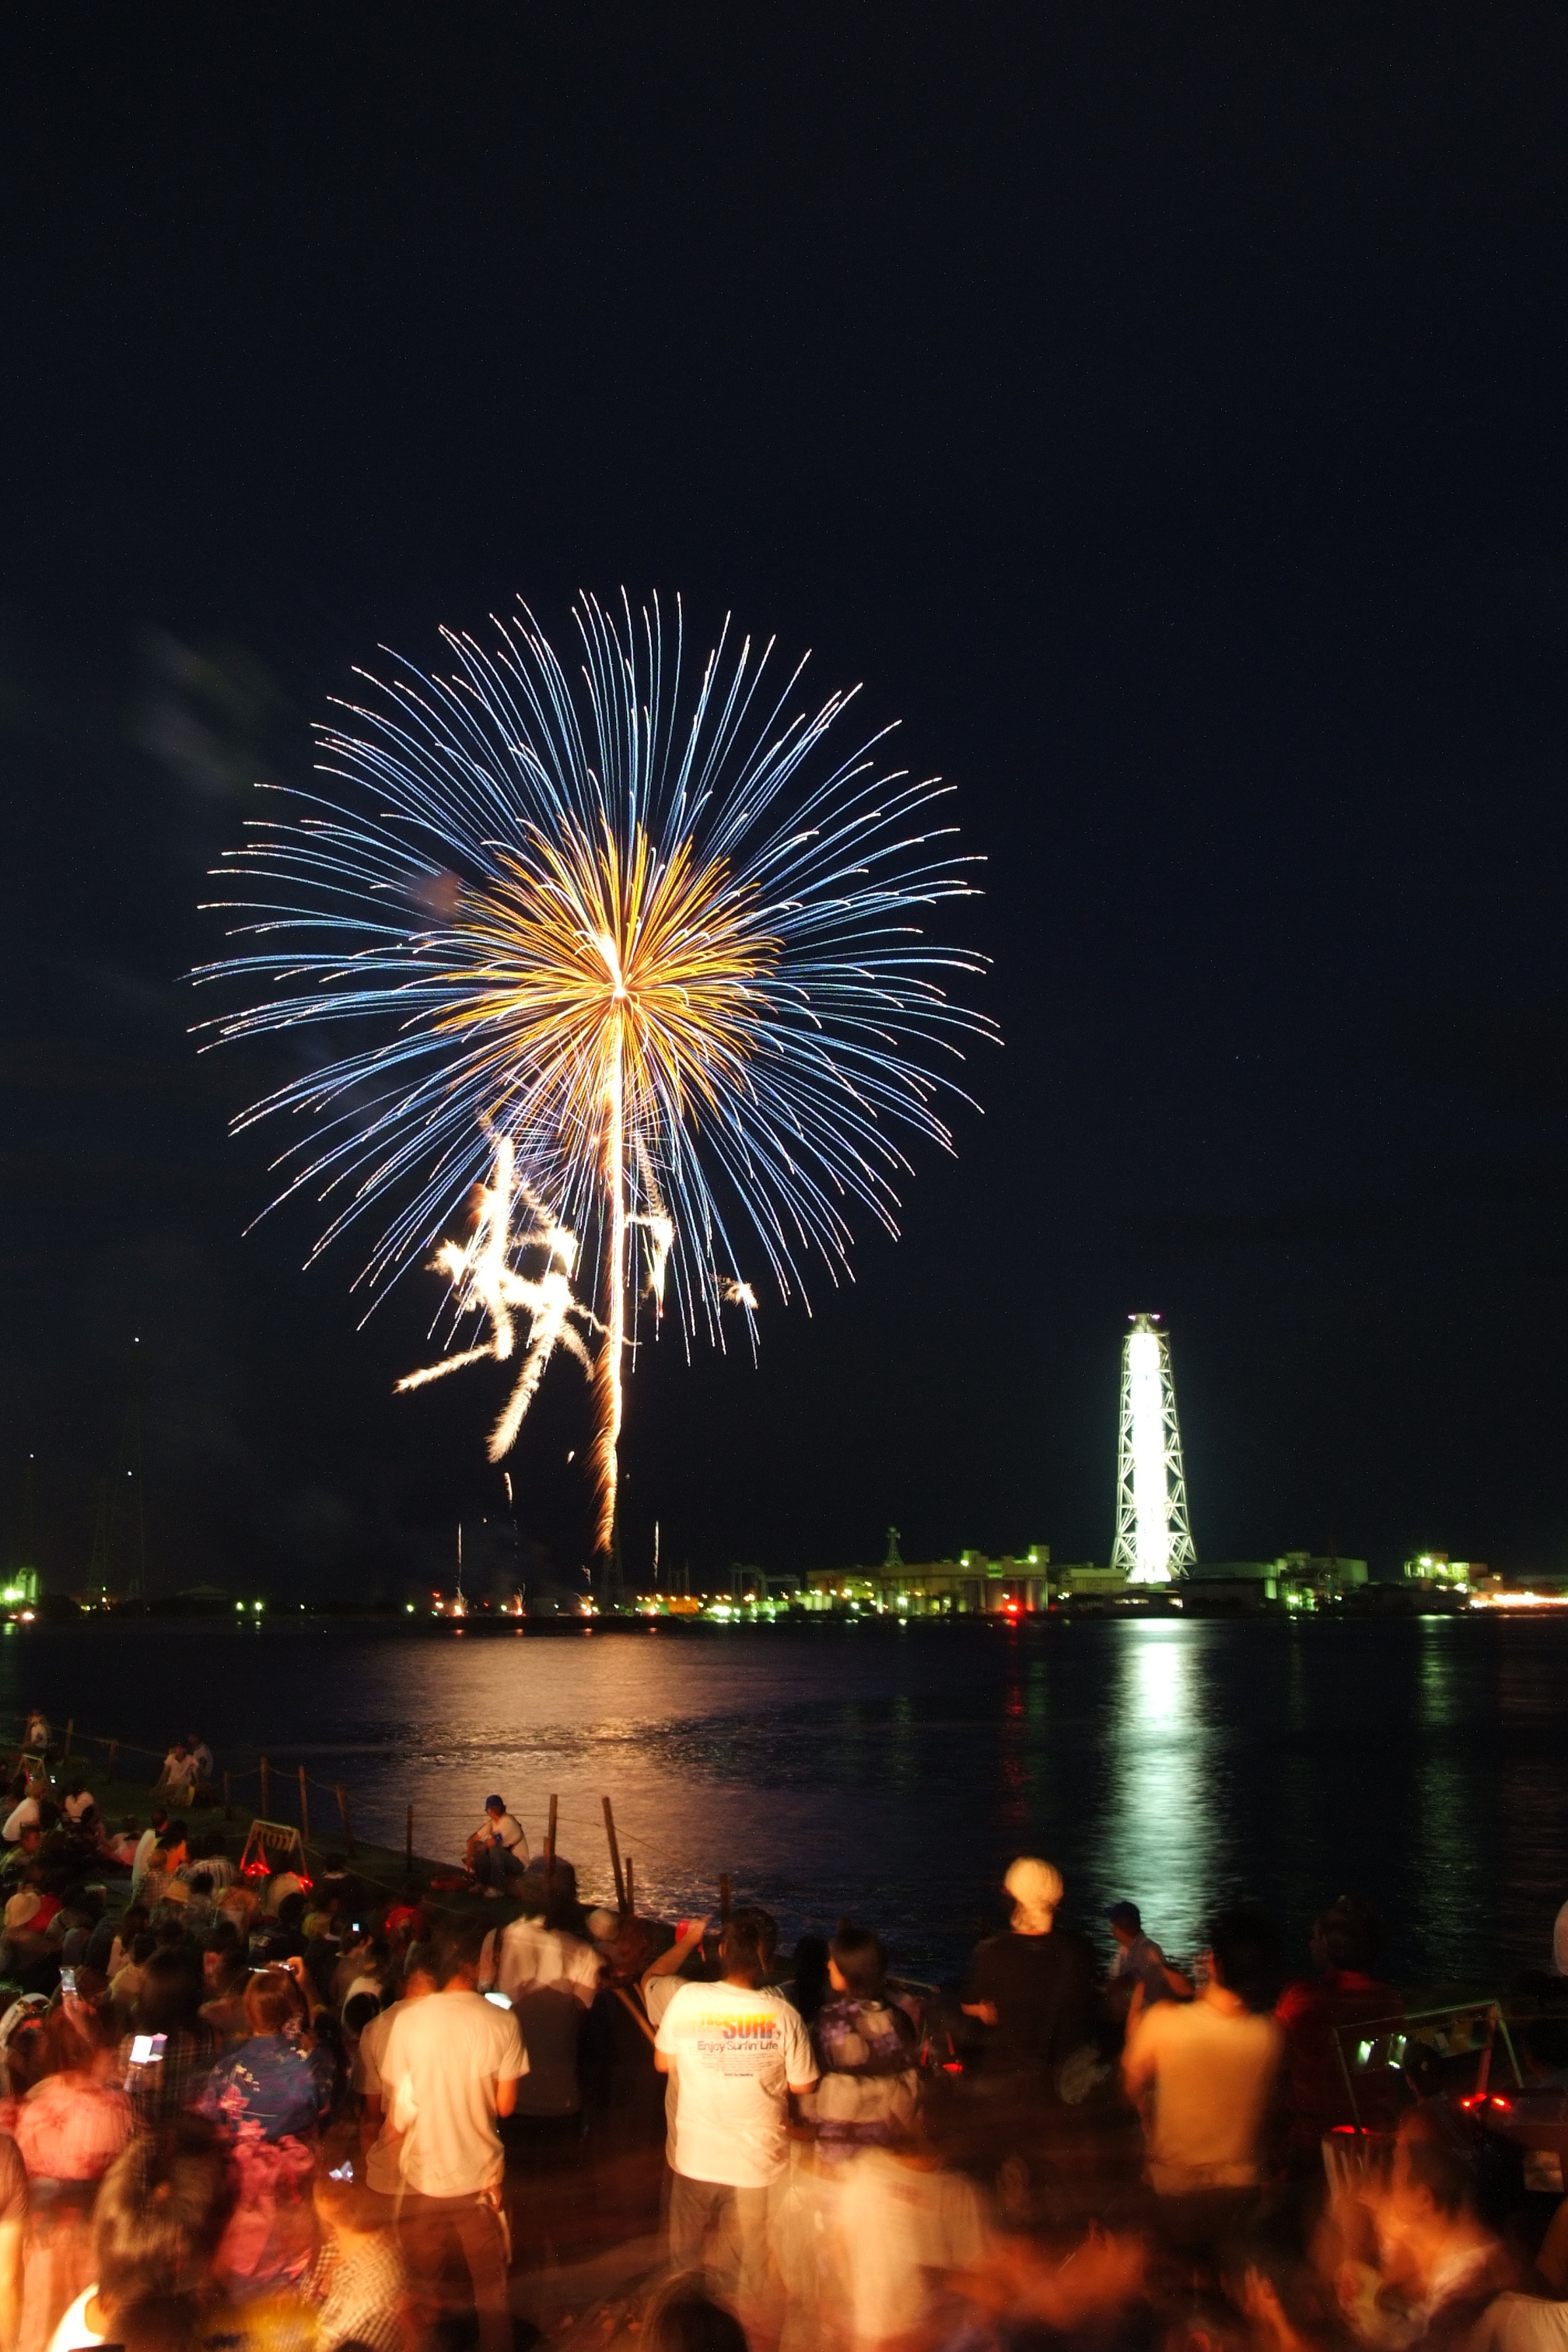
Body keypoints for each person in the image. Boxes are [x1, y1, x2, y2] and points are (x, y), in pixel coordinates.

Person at [653, 1905, 816, 2329]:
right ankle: (740, 2333)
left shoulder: (688, 1999)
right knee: (749, 2262)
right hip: (757, 2163)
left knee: (685, 2259)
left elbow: (662, 2062)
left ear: (722, 1950)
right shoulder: (784, 2015)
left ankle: (683, 2332)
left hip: (696, 2157)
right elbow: (804, 2085)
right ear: (766, 1959)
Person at [376, 1920, 526, 2352]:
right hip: (481, 2180)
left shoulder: (407, 2022)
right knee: (491, 2291)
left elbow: (397, 2106)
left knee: (426, 2286)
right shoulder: (501, 2022)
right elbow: (506, 2106)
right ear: (468, 1964)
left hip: (424, 2178)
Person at [1122, 1902, 1284, 2244]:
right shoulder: (1270, 2035)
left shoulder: (1165, 2023)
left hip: (1175, 2192)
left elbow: (1128, 2086)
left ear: (1215, 1962)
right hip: (1242, 2193)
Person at [1276, 1895, 1402, 2147]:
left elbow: (1273, 2056)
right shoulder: (1390, 2001)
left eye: (1315, 1937)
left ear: (1328, 1945)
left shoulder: (1302, 1997)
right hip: (1375, 2132)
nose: (1310, 1944)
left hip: (1315, 2135)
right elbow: (1391, 2063)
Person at [961, 1857, 1098, 2088]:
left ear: (1016, 1899)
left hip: (1005, 2084)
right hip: (1061, 2087)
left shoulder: (992, 1953)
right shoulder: (1078, 1952)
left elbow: (973, 2006)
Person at [800, 1923, 920, 2151]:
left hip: (842, 2139)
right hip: (888, 2140)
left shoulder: (830, 2021)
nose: (828, 1965)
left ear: (849, 1969)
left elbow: (813, 2077)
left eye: (833, 1961)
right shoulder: (899, 2019)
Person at [1106, 1899, 1192, 2027]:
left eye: (1114, 1924)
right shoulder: (1124, 1949)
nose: (1111, 1928)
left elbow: (1138, 1983)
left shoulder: (1148, 1950)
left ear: (1122, 1926)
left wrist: (1113, 1988)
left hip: (1148, 2020)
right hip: (1130, 2016)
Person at [464, 1796, 527, 1892]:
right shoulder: (492, 1823)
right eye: (490, 1809)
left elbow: (492, 1843)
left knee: (494, 1849)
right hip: (503, 1860)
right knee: (477, 1846)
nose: (491, 1811)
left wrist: (476, 1853)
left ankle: (497, 1888)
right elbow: (473, 1840)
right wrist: (469, 1858)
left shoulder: (508, 1822)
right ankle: (482, 1883)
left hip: (518, 1864)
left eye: (493, 1809)